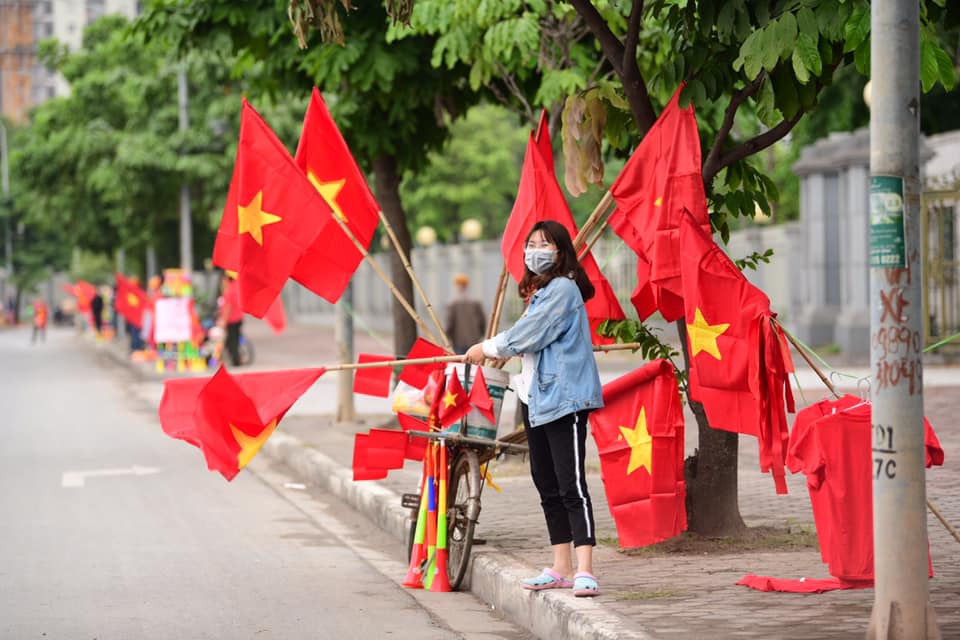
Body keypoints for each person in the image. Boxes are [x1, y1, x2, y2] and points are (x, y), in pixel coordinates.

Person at [464, 220, 603, 597]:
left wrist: (486, 348)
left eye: (544, 244)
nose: (534, 250)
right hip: (536, 399)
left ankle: (585, 568)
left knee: (572, 483)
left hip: (565, 400)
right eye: (531, 243)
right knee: (547, 483)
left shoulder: (563, 288)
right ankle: (560, 565)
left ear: (560, 252)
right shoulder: (540, 292)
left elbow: (529, 335)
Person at [444, 273, 486, 354]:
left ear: (456, 286)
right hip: (474, 340)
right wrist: (481, 335)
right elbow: (482, 321)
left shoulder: (453, 304)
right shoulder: (475, 302)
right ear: (467, 285)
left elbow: (449, 324)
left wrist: (447, 338)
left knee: (461, 365)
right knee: (474, 365)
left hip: (458, 341)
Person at [219, 271, 244, 366]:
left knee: (231, 341)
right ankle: (237, 359)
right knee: (236, 340)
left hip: (231, 320)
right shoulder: (237, 287)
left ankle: (236, 360)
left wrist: (223, 321)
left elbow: (227, 308)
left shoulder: (229, 290)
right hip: (239, 318)